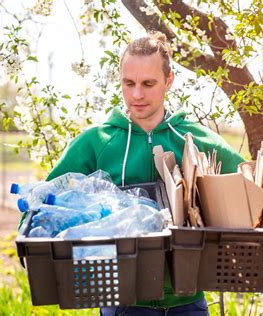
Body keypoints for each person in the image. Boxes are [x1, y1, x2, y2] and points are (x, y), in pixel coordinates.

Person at [23, 32, 245, 315]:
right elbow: (41, 201)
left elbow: (249, 189)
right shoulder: (97, 142)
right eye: (129, 83)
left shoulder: (194, 140)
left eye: (148, 83)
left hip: (187, 302)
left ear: (169, 81)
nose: (137, 94)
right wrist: (30, 243)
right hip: (124, 302)